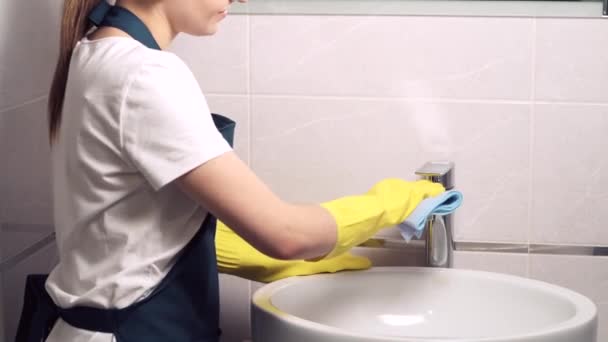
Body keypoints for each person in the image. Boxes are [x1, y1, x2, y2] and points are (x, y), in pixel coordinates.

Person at [16, 0, 444, 341]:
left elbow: (125, 223)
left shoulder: (98, 51)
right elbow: (287, 233)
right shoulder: (144, 74)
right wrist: (395, 202)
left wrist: (256, 261)